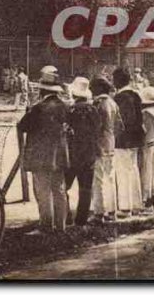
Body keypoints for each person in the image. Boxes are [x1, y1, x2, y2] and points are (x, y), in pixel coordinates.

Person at [18, 66, 70, 234]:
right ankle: (60, 225)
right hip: (60, 154)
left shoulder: (39, 108)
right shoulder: (64, 106)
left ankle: (46, 225)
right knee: (59, 189)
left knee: (43, 190)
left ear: (42, 90)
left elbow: (22, 125)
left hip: (41, 155)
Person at [65, 77, 99, 226]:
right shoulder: (94, 110)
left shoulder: (71, 110)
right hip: (89, 153)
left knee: (63, 187)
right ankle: (81, 219)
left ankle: (66, 216)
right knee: (85, 189)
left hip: (73, 153)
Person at [113, 68, 144, 217]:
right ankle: (136, 204)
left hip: (123, 140)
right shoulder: (135, 95)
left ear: (118, 81)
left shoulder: (120, 98)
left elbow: (123, 121)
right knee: (133, 170)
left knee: (123, 172)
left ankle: (125, 207)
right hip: (136, 139)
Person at [89, 77, 118, 223]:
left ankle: (99, 212)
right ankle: (112, 211)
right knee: (110, 178)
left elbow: (95, 126)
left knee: (98, 179)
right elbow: (120, 126)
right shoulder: (113, 103)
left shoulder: (98, 104)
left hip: (99, 144)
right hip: (111, 143)